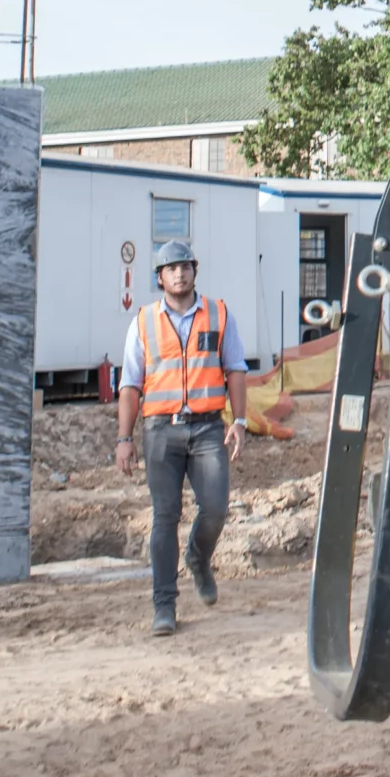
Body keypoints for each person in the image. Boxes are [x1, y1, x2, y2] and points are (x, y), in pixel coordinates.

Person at [115, 238, 247, 638]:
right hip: (160, 431)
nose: (179, 273)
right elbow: (130, 384)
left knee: (216, 509)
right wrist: (124, 438)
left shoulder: (219, 314)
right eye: (171, 268)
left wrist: (239, 421)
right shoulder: (143, 322)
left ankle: (198, 557)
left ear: (194, 270)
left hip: (208, 428)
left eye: (185, 266)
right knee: (165, 517)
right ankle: (164, 606)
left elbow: (235, 369)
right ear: (160, 277)